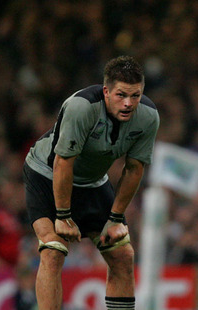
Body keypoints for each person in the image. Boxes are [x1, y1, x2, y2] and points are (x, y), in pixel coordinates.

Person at [22, 56, 159, 310]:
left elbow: (134, 168)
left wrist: (116, 218)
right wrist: (63, 215)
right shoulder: (81, 107)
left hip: (93, 183)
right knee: (53, 250)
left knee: (123, 255)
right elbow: (63, 162)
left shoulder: (148, 117)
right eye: (121, 95)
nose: (129, 103)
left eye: (136, 95)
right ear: (106, 91)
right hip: (47, 174)